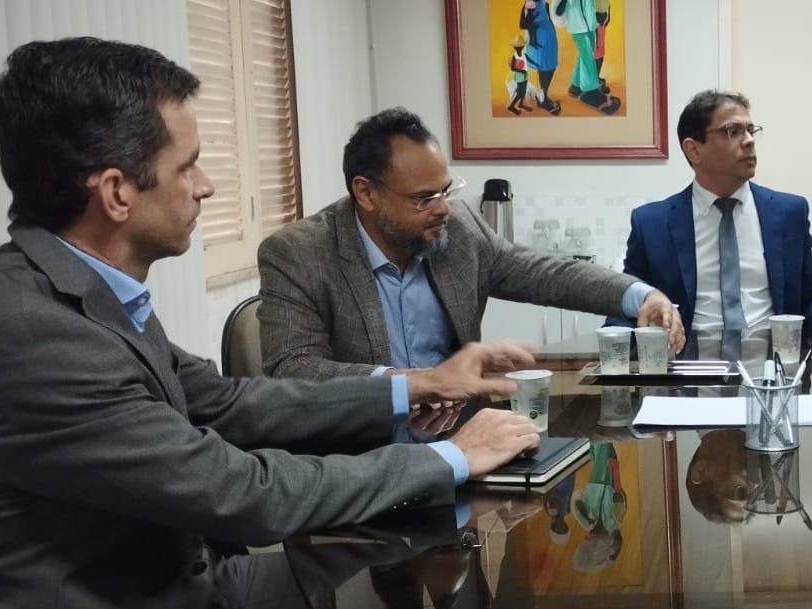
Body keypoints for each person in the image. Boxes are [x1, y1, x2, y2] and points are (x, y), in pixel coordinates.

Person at [0, 37, 544, 609]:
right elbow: (245, 493)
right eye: (188, 166)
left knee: (413, 595)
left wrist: (417, 386)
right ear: (115, 192)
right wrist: (450, 457)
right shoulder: (34, 338)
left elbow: (229, 403)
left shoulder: (79, 293)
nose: (206, 186)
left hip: (177, 595)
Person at [257, 108, 684, 395]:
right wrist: (415, 384)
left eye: (445, 190)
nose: (443, 207)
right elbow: (292, 369)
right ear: (366, 193)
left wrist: (641, 295)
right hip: (364, 451)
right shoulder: (300, 253)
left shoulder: (457, 229)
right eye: (424, 198)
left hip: (461, 434)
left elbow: (545, 272)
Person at [617, 90, 812, 355]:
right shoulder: (652, 224)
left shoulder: (788, 213)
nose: (749, 141)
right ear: (693, 150)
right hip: (687, 371)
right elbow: (626, 307)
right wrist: (611, 348)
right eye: (733, 131)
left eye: (751, 130)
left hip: (773, 370)